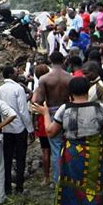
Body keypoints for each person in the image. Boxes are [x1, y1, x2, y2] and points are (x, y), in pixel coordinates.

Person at [32, 77, 103, 205]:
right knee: (93, 193)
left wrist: (45, 113)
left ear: (70, 94)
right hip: (93, 156)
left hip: (72, 156)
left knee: (74, 193)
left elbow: (51, 132)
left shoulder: (65, 109)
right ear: (87, 91)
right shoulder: (99, 108)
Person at [32, 51, 72, 184]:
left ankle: (57, 181)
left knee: (55, 149)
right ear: (63, 61)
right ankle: (70, 178)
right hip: (68, 112)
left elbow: (40, 100)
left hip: (52, 113)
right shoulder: (70, 78)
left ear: (50, 61)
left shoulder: (44, 79)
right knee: (69, 146)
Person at [0, 66, 34, 194]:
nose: (18, 73)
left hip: (6, 129)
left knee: (6, 159)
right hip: (19, 128)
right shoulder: (18, 88)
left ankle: (7, 188)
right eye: (15, 71)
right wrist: (30, 128)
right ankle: (19, 187)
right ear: (11, 74)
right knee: (20, 157)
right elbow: (23, 111)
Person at [32, 64, 51, 185]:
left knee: (45, 151)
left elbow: (34, 104)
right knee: (57, 149)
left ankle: (46, 177)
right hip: (55, 119)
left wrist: (34, 122)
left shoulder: (38, 88)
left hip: (42, 120)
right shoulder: (53, 85)